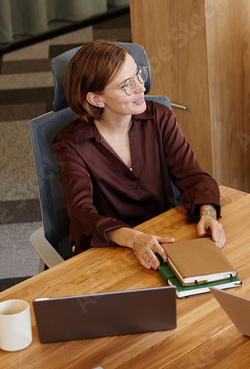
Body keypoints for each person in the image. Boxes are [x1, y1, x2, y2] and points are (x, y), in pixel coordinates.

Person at [53, 40, 225, 270]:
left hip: (164, 242)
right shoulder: (71, 143)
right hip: (110, 253)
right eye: (127, 84)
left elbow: (195, 178)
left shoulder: (159, 118)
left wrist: (208, 214)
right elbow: (82, 214)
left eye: (138, 74)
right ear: (96, 99)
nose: (141, 87)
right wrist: (134, 239)